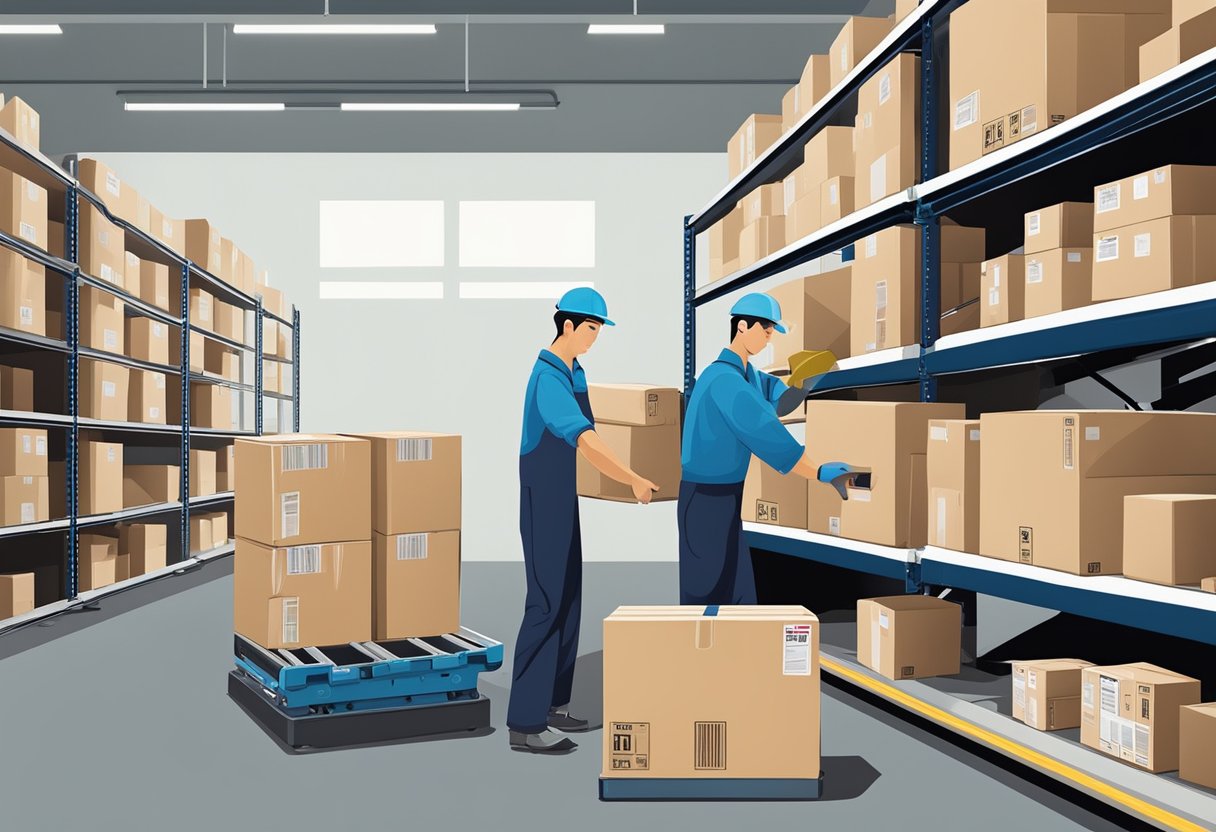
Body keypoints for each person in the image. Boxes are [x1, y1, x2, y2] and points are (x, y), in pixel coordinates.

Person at [508, 287, 659, 755]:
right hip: (542, 499)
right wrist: (632, 477)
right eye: (591, 328)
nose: (595, 338)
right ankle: (525, 724)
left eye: (599, 329)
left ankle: (553, 704)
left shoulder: (575, 371)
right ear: (568, 326)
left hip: (563, 496)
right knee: (546, 602)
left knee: (570, 598)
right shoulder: (548, 377)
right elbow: (586, 439)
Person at [678, 292, 819, 606]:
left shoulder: (750, 375)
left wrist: (802, 384)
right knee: (707, 593)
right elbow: (765, 432)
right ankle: (698, 654)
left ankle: (737, 652)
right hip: (704, 498)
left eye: (772, 333)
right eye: (766, 330)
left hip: (728, 495)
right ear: (742, 326)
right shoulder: (723, 380)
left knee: (736, 590)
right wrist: (818, 471)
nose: (769, 339)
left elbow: (780, 402)